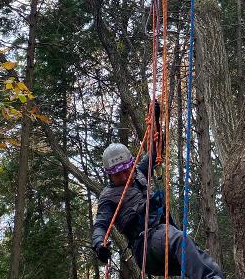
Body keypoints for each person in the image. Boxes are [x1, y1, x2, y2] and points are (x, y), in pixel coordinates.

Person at [91, 103, 224, 279]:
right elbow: (100, 225)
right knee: (179, 240)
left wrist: (155, 121)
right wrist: (99, 244)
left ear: (132, 164)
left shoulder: (140, 172)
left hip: (162, 240)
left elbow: (156, 150)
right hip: (145, 245)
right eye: (117, 174)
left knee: (201, 259)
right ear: (109, 175)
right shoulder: (108, 197)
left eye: (126, 170)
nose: (124, 177)